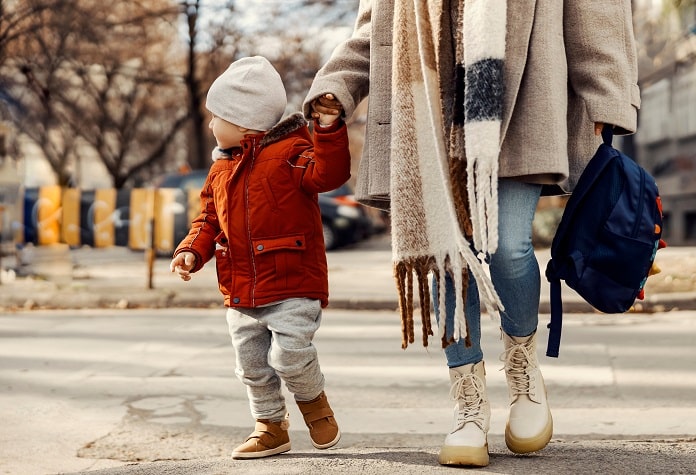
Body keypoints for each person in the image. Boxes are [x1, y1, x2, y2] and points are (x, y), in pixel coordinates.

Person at [304, 0, 640, 468]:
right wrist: (337, 84)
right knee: (444, 255)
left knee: (507, 247)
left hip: (524, 100)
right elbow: (376, 28)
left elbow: (595, 14)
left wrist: (607, 95)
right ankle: (468, 404)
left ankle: (522, 364)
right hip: (428, 106)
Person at [170, 56, 351, 460]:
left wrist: (327, 130)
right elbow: (208, 219)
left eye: (216, 116)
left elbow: (328, 174)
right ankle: (270, 427)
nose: (211, 124)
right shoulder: (220, 170)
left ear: (243, 121)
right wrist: (190, 251)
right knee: (252, 365)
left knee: (289, 356)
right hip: (241, 286)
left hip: (292, 281)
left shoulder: (292, 151)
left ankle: (313, 402)